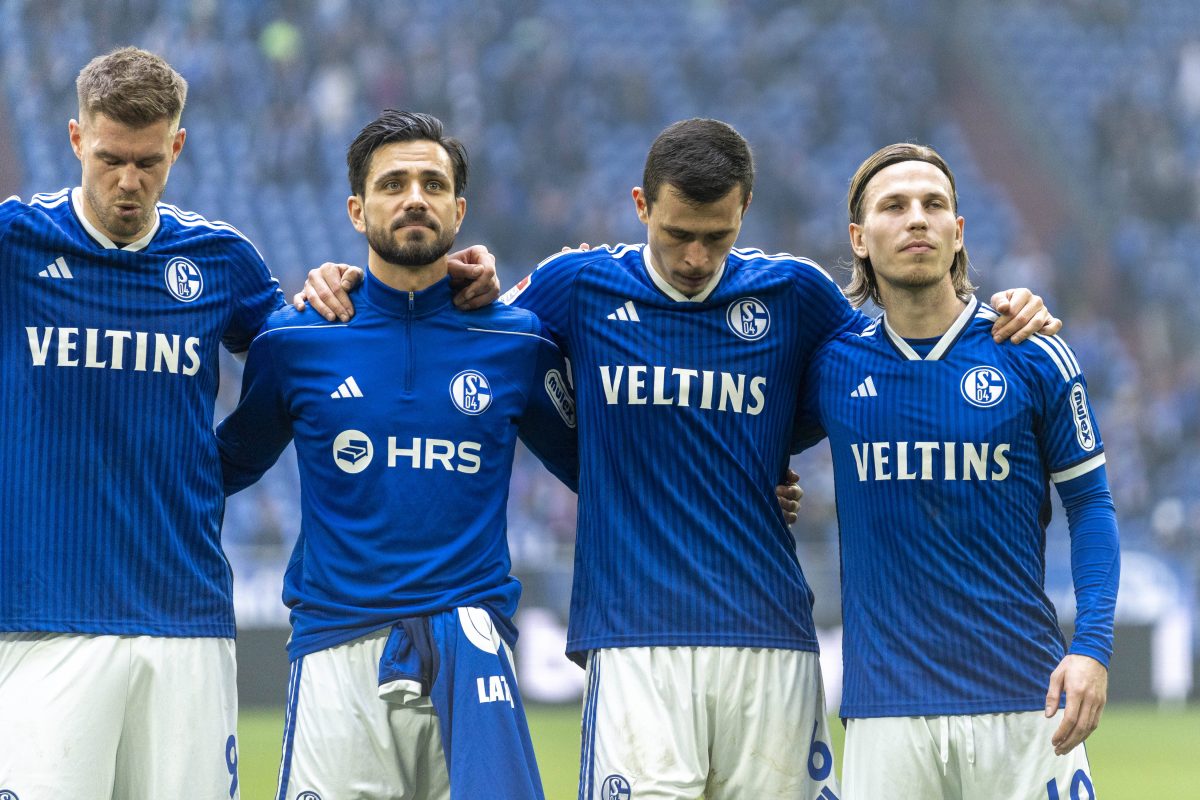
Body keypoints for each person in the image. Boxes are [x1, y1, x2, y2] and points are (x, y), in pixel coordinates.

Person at [300, 118, 1059, 799]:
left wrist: (999, 312)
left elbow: (895, 363)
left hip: (772, 643)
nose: (696, 257)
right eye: (676, 234)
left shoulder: (795, 293)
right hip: (636, 643)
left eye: (717, 237)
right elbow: (470, 333)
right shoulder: (576, 285)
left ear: (744, 214)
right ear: (641, 207)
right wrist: (343, 282)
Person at [0, 48, 496, 800]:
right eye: (109, 159)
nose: (128, 181)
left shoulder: (220, 261)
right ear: (76, 141)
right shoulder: (15, 246)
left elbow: (309, 357)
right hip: (44, 617)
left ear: (178, 146)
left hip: (187, 618)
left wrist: (363, 283)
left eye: (147, 160)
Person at [216, 110, 578, 800]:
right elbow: (226, 466)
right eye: (393, 184)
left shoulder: (520, 343)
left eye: (432, 183)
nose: (414, 196)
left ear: (458, 208)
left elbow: (605, 468)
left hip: (470, 643)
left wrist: (748, 483)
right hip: (336, 650)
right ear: (358, 209)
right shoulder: (294, 341)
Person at [795, 143, 1118, 799]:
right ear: (859, 238)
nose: (917, 218)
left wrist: (1092, 647)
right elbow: (744, 443)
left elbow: (1091, 508)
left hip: (1026, 703)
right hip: (886, 716)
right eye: (895, 206)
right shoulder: (829, 365)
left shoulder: (1029, 351)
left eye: (934, 204)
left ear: (959, 230)